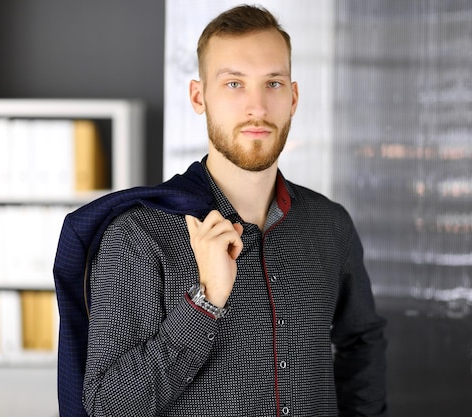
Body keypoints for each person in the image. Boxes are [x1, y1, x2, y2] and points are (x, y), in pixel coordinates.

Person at [76, 5, 387, 416]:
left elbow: (361, 344)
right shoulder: (138, 235)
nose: (257, 107)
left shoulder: (331, 226)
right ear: (198, 96)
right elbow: (106, 406)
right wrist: (204, 303)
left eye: (272, 83)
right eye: (235, 84)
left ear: (293, 97)